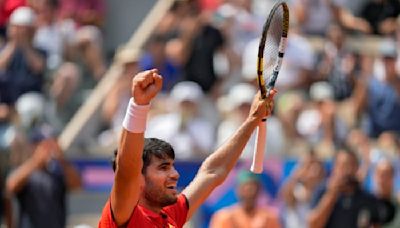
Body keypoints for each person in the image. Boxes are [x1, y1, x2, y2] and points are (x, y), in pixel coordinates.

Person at [98, 68, 276, 227]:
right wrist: (138, 106)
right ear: (140, 177)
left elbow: (213, 171)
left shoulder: (171, 215)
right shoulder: (124, 214)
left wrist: (252, 120)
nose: (175, 174)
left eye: (171, 166)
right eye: (163, 168)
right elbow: (127, 168)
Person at [5, 132, 81, 228]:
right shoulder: (25, 170)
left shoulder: (57, 172)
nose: (48, 149)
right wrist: (36, 161)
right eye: (44, 145)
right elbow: (10, 186)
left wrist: (62, 159)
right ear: (33, 146)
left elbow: (77, 185)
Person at [308, 148, 395, 228]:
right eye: (343, 166)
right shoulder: (322, 191)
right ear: (335, 167)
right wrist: (331, 195)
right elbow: (313, 225)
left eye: (351, 165)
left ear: (357, 168)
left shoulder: (366, 197)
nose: (347, 170)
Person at [209, 170, 281, 228]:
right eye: (245, 189)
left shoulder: (269, 217)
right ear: (237, 190)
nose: (249, 192)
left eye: (252, 188)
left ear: (259, 190)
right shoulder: (224, 217)